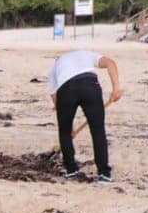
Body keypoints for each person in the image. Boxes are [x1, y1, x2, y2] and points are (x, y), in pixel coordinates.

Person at [47, 50, 122, 182]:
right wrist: (116, 88)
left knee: (64, 132)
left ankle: (71, 170)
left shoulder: (54, 69)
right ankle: (104, 173)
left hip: (66, 89)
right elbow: (111, 63)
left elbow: (56, 101)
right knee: (98, 130)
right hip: (90, 85)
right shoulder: (85, 54)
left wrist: (68, 129)